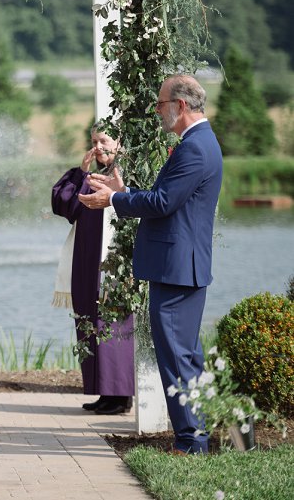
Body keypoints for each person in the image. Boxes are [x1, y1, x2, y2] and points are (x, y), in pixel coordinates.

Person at [79, 75, 222, 454]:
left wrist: (112, 201)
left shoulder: (194, 148)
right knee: (185, 354)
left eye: (161, 104)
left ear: (181, 106)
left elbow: (162, 203)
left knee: (177, 356)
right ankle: (197, 435)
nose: (157, 111)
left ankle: (191, 441)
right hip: (180, 265)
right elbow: (165, 197)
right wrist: (123, 193)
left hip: (177, 268)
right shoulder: (198, 143)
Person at [52, 125, 134, 415]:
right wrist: (80, 172)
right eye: (94, 142)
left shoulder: (124, 175)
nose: (98, 147)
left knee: (114, 323)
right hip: (87, 261)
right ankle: (103, 391)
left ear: (119, 142)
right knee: (91, 321)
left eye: (104, 141)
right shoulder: (90, 176)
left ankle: (121, 394)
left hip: (112, 264)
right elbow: (65, 208)